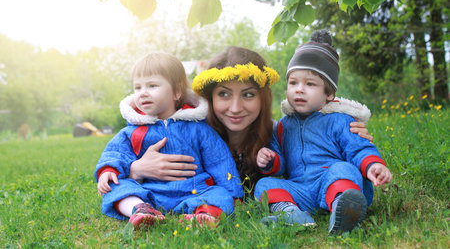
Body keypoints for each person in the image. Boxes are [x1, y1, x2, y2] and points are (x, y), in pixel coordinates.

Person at [126, 46, 374, 193]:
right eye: (223, 94)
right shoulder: (187, 134)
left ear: (263, 98)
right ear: (210, 98)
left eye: (248, 94)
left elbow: (322, 152)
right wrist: (136, 169)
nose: (235, 108)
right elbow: (121, 163)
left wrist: (348, 137)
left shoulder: (282, 133)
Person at [254, 30, 392, 234]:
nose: (299, 89)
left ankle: (342, 208)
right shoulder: (284, 125)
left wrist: (374, 165)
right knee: (264, 184)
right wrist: (269, 159)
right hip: (300, 190)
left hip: (331, 182)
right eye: (293, 83)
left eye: (310, 84)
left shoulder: (340, 120)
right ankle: (291, 213)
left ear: (329, 94)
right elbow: (280, 163)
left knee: (343, 169)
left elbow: (358, 149)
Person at [95, 52, 244, 229]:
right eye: (137, 87)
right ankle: (141, 210)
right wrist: (108, 170)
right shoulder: (133, 131)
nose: (143, 93)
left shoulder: (197, 128)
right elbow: (116, 152)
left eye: (152, 85)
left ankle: (205, 215)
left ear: (177, 91)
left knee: (220, 195)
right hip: (151, 193)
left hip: (195, 190)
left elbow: (219, 160)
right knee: (117, 188)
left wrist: (233, 193)